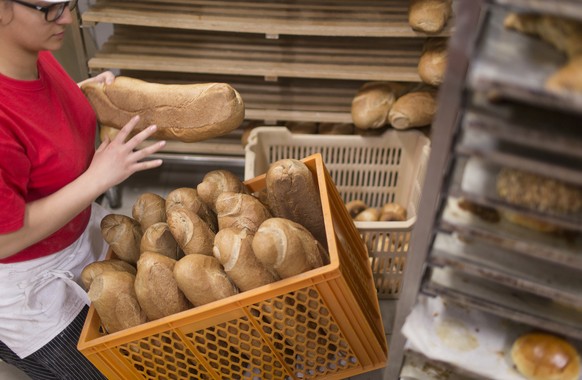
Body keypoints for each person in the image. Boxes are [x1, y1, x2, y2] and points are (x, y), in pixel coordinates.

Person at [0, 0, 166, 378]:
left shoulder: (31, 54)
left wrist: (80, 94)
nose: (67, 18)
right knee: (113, 372)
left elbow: (33, 122)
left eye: (69, 3)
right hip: (28, 284)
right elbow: (3, 240)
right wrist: (97, 178)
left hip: (76, 236)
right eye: (50, 8)